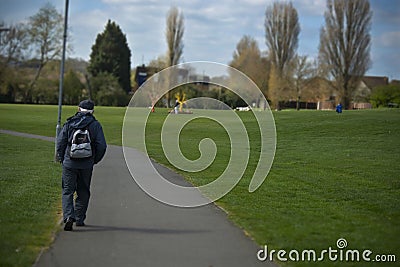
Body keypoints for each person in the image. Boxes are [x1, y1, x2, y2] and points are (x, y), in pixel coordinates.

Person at [56, 100, 107, 231]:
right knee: (83, 191)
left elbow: (61, 142)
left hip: (69, 163)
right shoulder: (95, 125)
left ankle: (68, 217)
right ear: (93, 111)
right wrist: (94, 160)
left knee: (67, 191)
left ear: (78, 109)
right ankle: (79, 219)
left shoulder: (69, 123)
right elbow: (102, 146)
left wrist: (62, 158)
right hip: (86, 164)